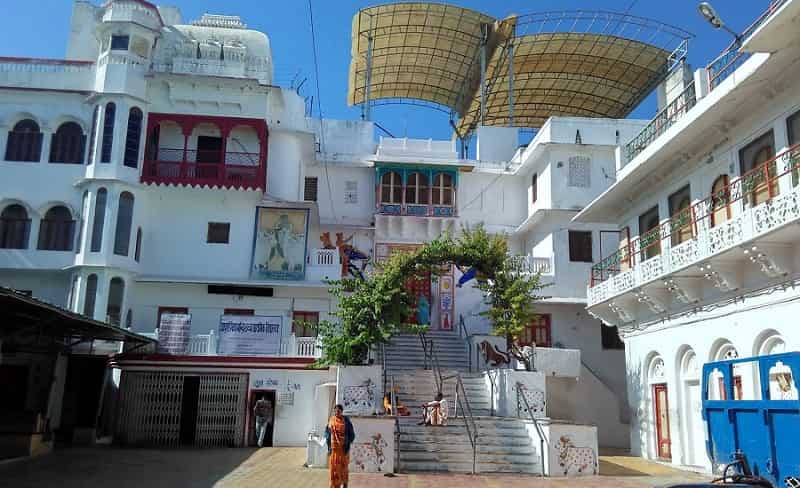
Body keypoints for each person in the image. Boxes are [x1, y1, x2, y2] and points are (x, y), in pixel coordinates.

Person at [325, 404, 355, 488]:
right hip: (334, 451)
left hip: (343, 451)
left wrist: (347, 442)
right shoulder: (331, 420)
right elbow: (327, 434)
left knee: (343, 470)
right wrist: (329, 447)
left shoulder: (346, 421)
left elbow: (352, 434)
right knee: (334, 470)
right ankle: (335, 486)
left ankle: (345, 485)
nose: (336, 412)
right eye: (335, 411)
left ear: (342, 412)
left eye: (338, 411)